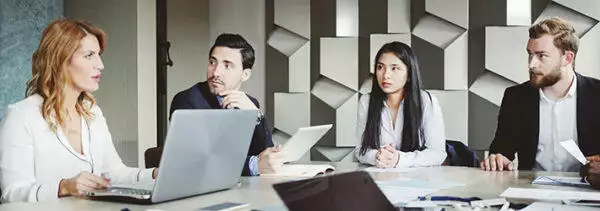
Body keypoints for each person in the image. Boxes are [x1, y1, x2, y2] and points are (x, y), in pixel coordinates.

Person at [0, 19, 157, 203]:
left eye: (98, 55)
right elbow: (12, 194)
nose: (100, 65)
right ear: (60, 59)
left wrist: (155, 174)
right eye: (89, 55)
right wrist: (63, 187)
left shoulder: (93, 113)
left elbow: (114, 173)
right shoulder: (21, 116)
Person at [481, 17, 600, 171]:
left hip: (588, 191)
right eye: (530, 54)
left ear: (567, 58)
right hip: (532, 191)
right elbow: (502, 150)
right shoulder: (516, 97)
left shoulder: (596, 95)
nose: (531, 64)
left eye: (541, 55)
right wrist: (498, 159)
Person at [170, 33, 281, 176]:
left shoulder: (250, 103)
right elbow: (199, 162)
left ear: (245, 74)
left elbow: (265, 154)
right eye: (212, 62)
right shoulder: (187, 101)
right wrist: (253, 165)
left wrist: (256, 114)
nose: (216, 72)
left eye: (227, 65)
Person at [355, 41, 447, 168]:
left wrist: (399, 159)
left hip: (418, 181)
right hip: (380, 178)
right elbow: (361, 150)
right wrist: (377, 156)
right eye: (380, 67)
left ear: (409, 74)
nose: (385, 75)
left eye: (394, 68)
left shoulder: (426, 101)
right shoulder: (366, 102)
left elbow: (438, 153)